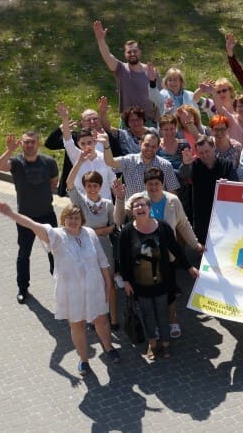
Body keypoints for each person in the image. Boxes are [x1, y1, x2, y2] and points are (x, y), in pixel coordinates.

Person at [0, 202, 120, 375]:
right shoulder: (56, 236)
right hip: (72, 292)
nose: (73, 221)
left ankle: (109, 348)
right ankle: (84, 360)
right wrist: (11, 214)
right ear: (63, 219)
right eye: (69, 218)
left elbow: (102, 260)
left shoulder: (90, 233)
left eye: (76, 218)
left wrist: (107, 283)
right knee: (77, 325)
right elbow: (33, 225)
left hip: (94, 287)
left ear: (82, 220)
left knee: (101, 321)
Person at [116, 167, 204, 340]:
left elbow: (183, 224)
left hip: (167, 258)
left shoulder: (173, 200)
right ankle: (153, 327)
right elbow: (118, 220)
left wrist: (195, 244)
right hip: (142, 262)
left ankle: (172, 320)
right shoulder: (137, 200)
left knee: (169, 293)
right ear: (145, 185)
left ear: (162, 184)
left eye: (157, 183)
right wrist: (119, 199)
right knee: (148, 297)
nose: (153, 187)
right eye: (150, 184)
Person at [119, 194, 199, 361]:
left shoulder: (162, 227)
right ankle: (152, 344)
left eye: (143, 205)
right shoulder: (127, 231)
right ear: (132, 211)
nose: (140, 208)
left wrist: (189, 266)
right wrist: (126, 280)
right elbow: (123, 258)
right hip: (140, 285)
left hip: (162, 282)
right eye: (136, 206)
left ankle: (166, 343)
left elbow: (175, 248)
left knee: (163, 313)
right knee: (147, 314)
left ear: (149, 209)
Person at [0, 132, 59, 304]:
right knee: (24, 254)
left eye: (32, 142)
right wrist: (9, 150)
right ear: (21, 143)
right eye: (26, 142)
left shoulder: (49, 162)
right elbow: (0, 166)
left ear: (38, 143)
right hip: (24, 217)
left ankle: (60, 284)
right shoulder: (16, 162)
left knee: (55, 252)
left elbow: (54, 182)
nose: (29, 145)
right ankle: (23, 288)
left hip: (47, 215)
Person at [66, 153, 118, 330]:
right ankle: (92, 317)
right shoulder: (80, 203)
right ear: (85, 187)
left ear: (100, 187)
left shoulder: (108, 204)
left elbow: (113, 226)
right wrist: (79, 161)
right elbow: (69, 183)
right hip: (85, 248)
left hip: (104, 247)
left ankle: (114, 318)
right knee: (89, 284)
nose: (92, 189)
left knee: (108, 282)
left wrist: (98, 231)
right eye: (89, 186)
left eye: (95, 185)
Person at [46, 99, 121, 197]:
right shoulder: (75, 138)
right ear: (81, 123)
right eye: (88, 120)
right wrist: (61, 128)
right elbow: (50, 144)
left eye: (95, 119)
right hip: (77, 193)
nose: (92, 122)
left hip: (103, 193)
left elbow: (117, 165)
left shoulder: (109, 139)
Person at [93, 21, 162, 124]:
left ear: (140, 52)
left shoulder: (151, 72)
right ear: (125, 54)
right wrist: (100, 40)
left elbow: (161, 98)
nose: (132, 54)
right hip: (127, 123)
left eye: (135, 51)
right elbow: (107, 56)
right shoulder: (121, 69)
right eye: (129, 52)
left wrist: (156, 121)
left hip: (148, 121)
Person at [179, 136, 239, 244]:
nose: (205, 155)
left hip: (223, 215)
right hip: (201, 217)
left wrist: (228, 184)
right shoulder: (194, 165)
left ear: (214, 148)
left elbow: (236, 185)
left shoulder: (226, 165)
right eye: (201, 153)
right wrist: (185, 164)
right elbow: (184, 176)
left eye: (207, 151)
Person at [99, 132, 179, 199]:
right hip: (132, 209)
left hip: (158, 210)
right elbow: (110, 162)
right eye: (147, 145)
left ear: (158, 147)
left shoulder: (165, 165)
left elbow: (172, 193)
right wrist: (106, 145)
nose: (150, 149)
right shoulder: (129, 160)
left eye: (153, 146)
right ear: (140, 143)